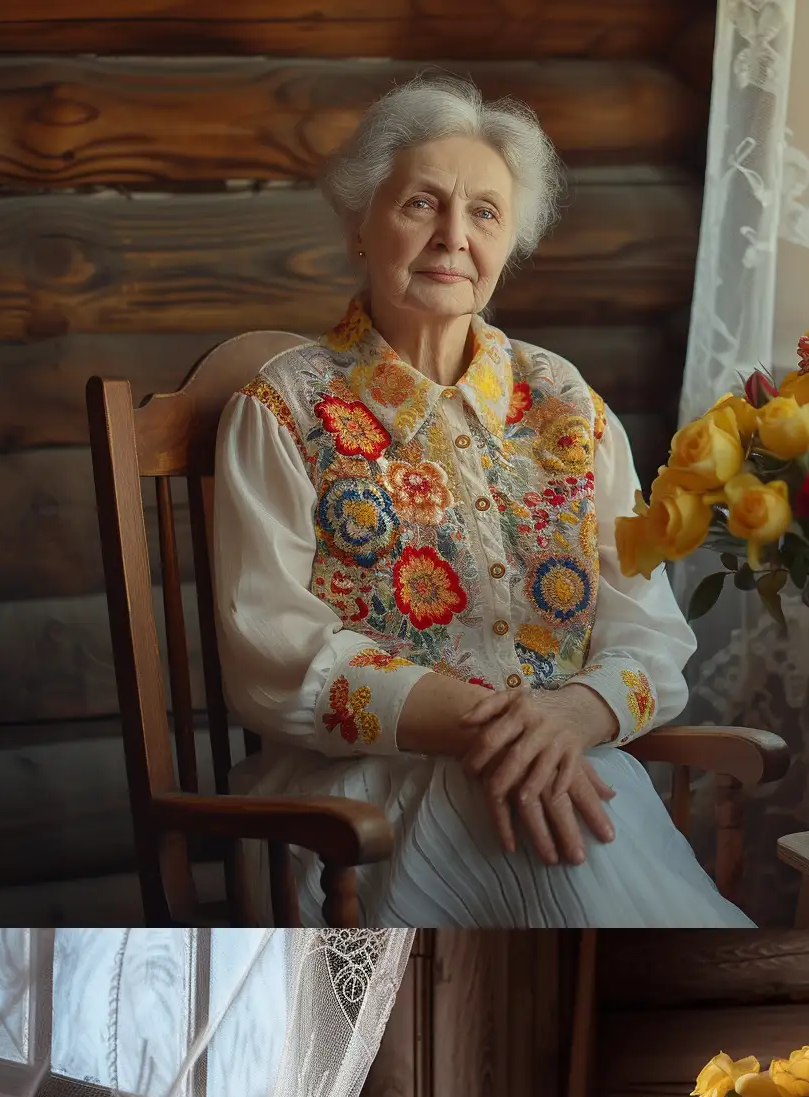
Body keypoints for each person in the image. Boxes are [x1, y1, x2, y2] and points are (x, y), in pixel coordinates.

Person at [212, 74, 748, 926]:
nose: (453, 238)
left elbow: (648, 632)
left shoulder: (567, 405)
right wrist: (489, 726)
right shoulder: (284, 408)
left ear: (511, 244)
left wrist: (569, 716)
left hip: (567, 770)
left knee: (573, 847)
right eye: (422, 204)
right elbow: (273, 655)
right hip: (357, 809)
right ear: (361, 226)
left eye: (485, 214)